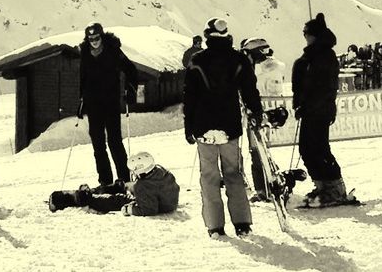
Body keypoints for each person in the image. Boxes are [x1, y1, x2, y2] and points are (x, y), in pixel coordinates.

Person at [183, 17, 262, 238]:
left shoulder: (197, 60)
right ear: (227, 35)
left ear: (208, 36)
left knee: (209, 176)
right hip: (230, 126)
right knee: (233, 174)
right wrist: (256, 112)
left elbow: (190, 97)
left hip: (203, 126)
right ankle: (242, 223)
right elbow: (249, 91)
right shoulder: (238, 59)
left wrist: (188, 126)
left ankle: (215, 226)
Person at [293, 12, 349, 206]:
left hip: (318, 109)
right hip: (315, 109)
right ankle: (324, 186)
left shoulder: (322, 55)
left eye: (306, 34)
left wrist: (305, 105)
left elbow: (322, 87)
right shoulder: (317, 54)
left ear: (314, 35)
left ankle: (334, 189)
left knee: (317, 149)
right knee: (310, 149)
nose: (305, 37)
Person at [77, 22, 138, 189]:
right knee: (98, 144)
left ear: (102, 36)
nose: (94, 41)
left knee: (114, 142)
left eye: (96, 38)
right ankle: (105, 181)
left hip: (110, 103)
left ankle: (124, 179)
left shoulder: (113, 51)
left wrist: (130, 90)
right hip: (92, 104)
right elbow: (83, 79)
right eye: (91, 39)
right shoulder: (85, 54)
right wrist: (81, 101)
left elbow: (131, 70)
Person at [47, 152, 180, 215]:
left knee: (115, 200)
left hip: (153, 201)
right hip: (162, 199)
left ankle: (79, 198)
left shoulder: (142, 186)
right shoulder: (161, 171)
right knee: (122, 187)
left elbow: (150, 209)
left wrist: (131, 209)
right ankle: (97, 191)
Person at [241, 38, 288, 202]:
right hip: (267, 113)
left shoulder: (263, 69)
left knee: (257, 151)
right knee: (261, 150)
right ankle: (270, 183)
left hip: (260, 114)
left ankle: (263, 189)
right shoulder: (271, 67)